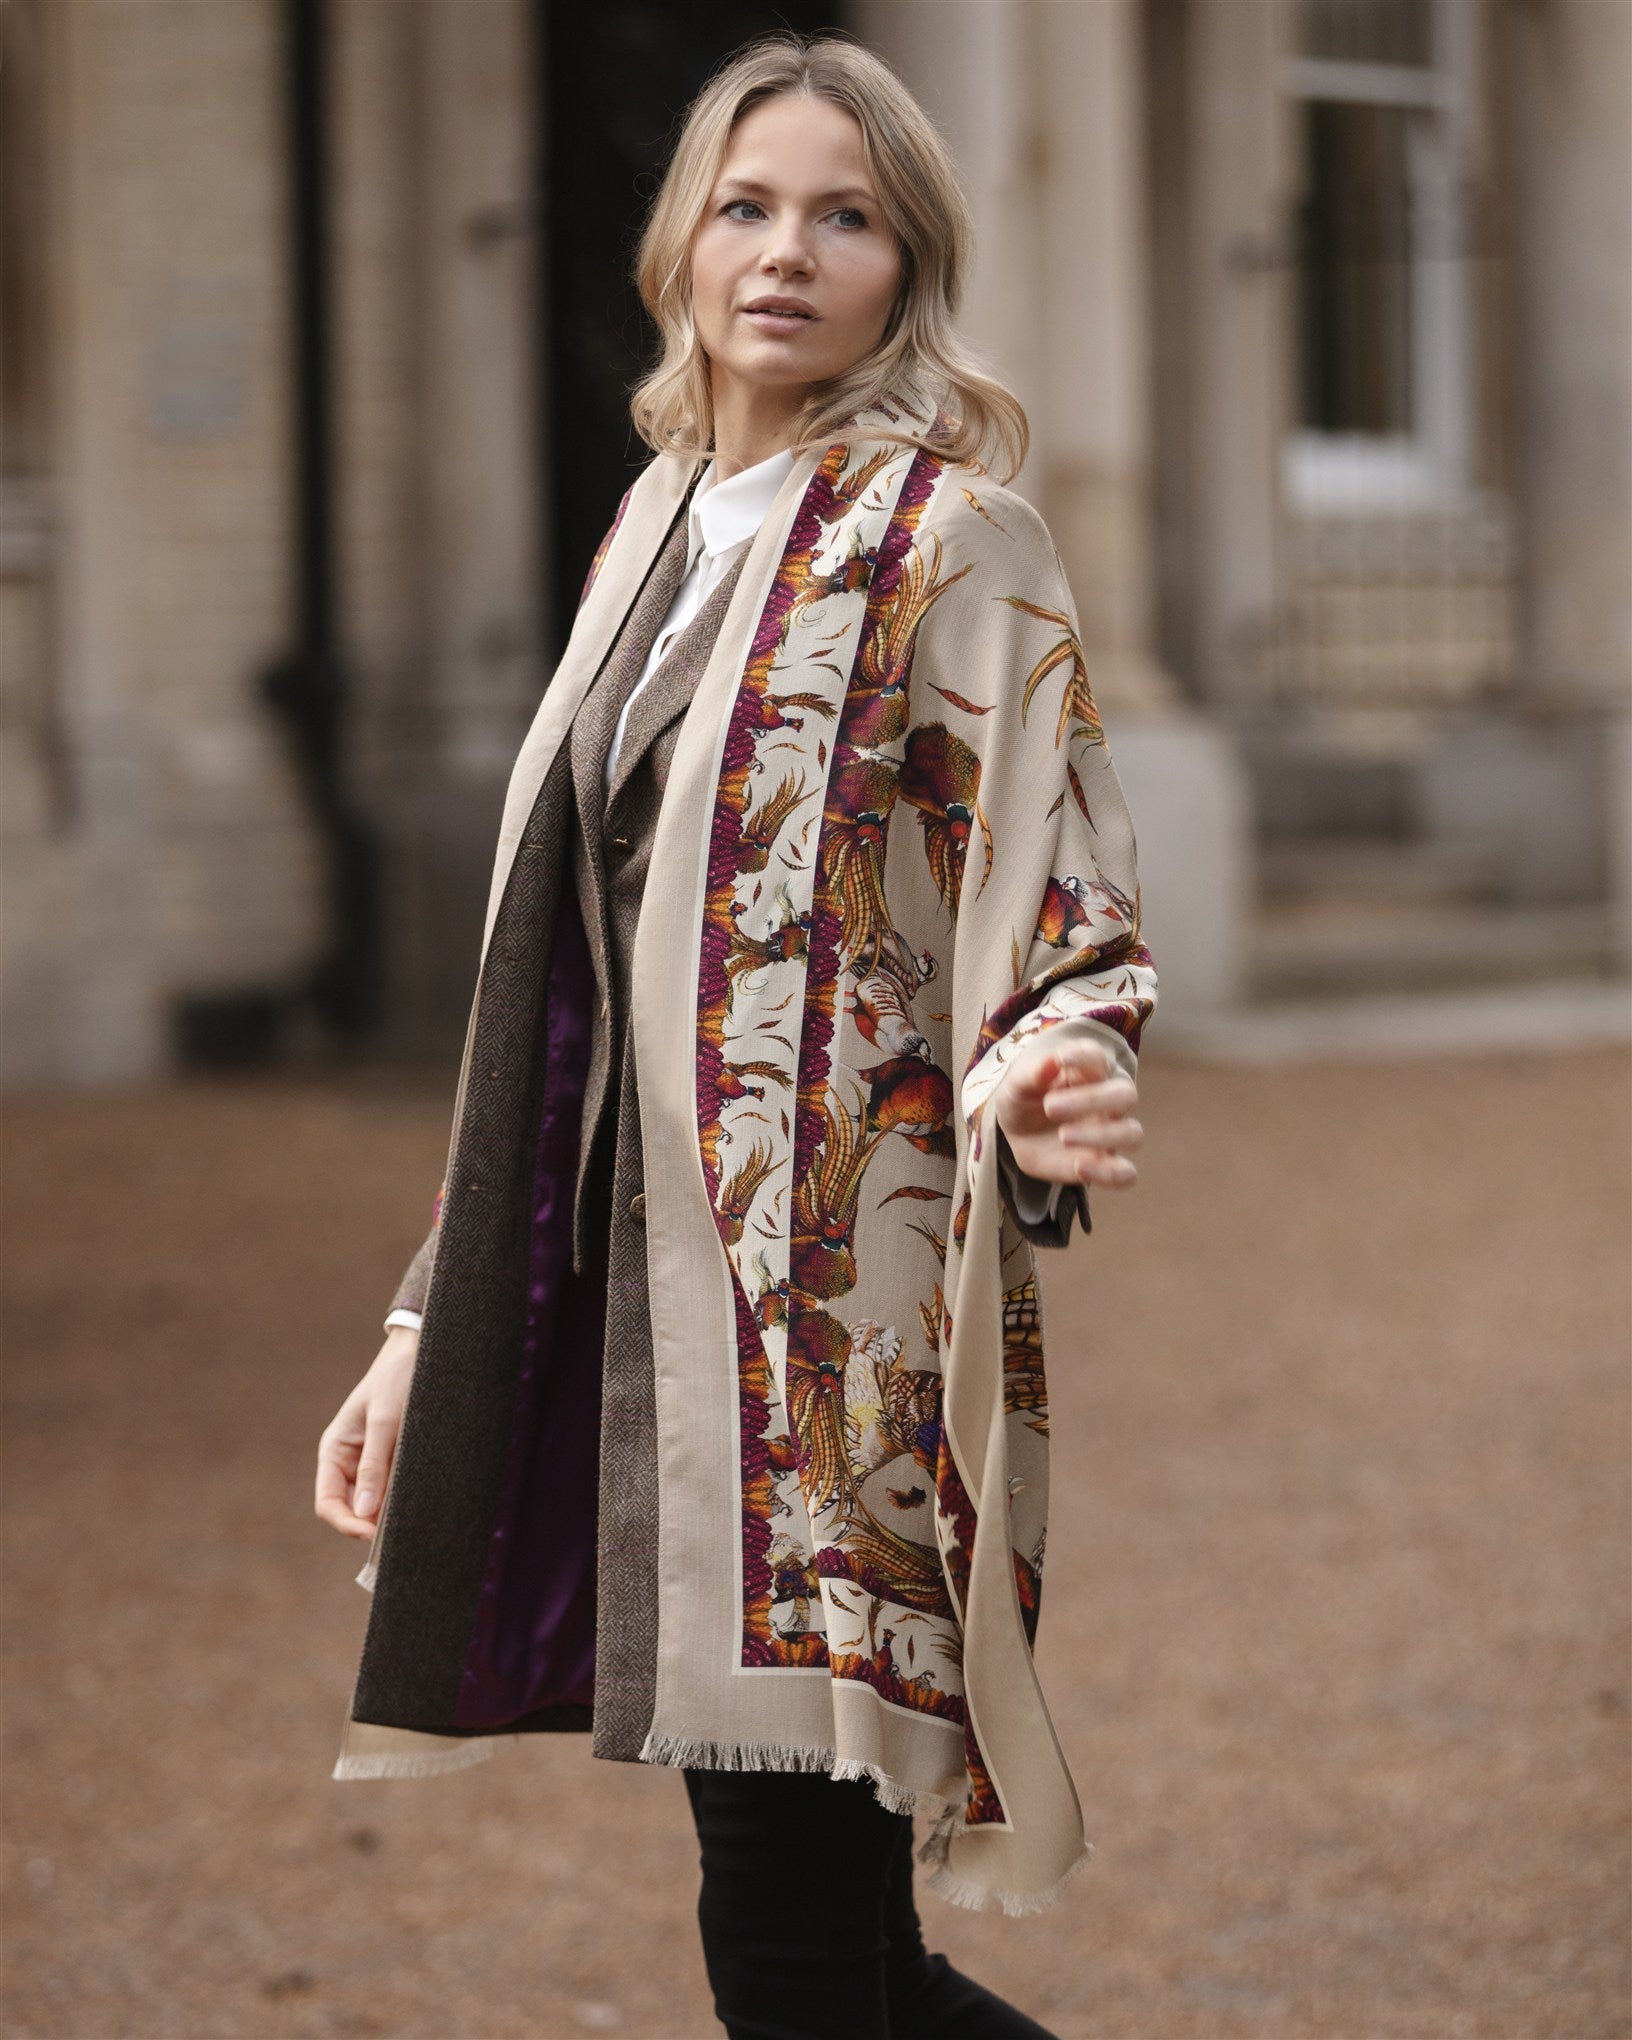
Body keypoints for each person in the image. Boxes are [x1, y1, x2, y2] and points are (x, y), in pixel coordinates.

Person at [316, 33, 1157, 2040]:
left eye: (845, 217)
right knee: (828, 1958)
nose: (787, 251)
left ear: (908, 264)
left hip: (825, 1333)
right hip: (637, 1322)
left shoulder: (953, 536)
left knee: (794, 1951)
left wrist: (1061, 1062)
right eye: (748, 205)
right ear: (681, 242)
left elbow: (1063, 883)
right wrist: (427, 1318)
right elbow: (563, 987)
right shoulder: (657, 522)